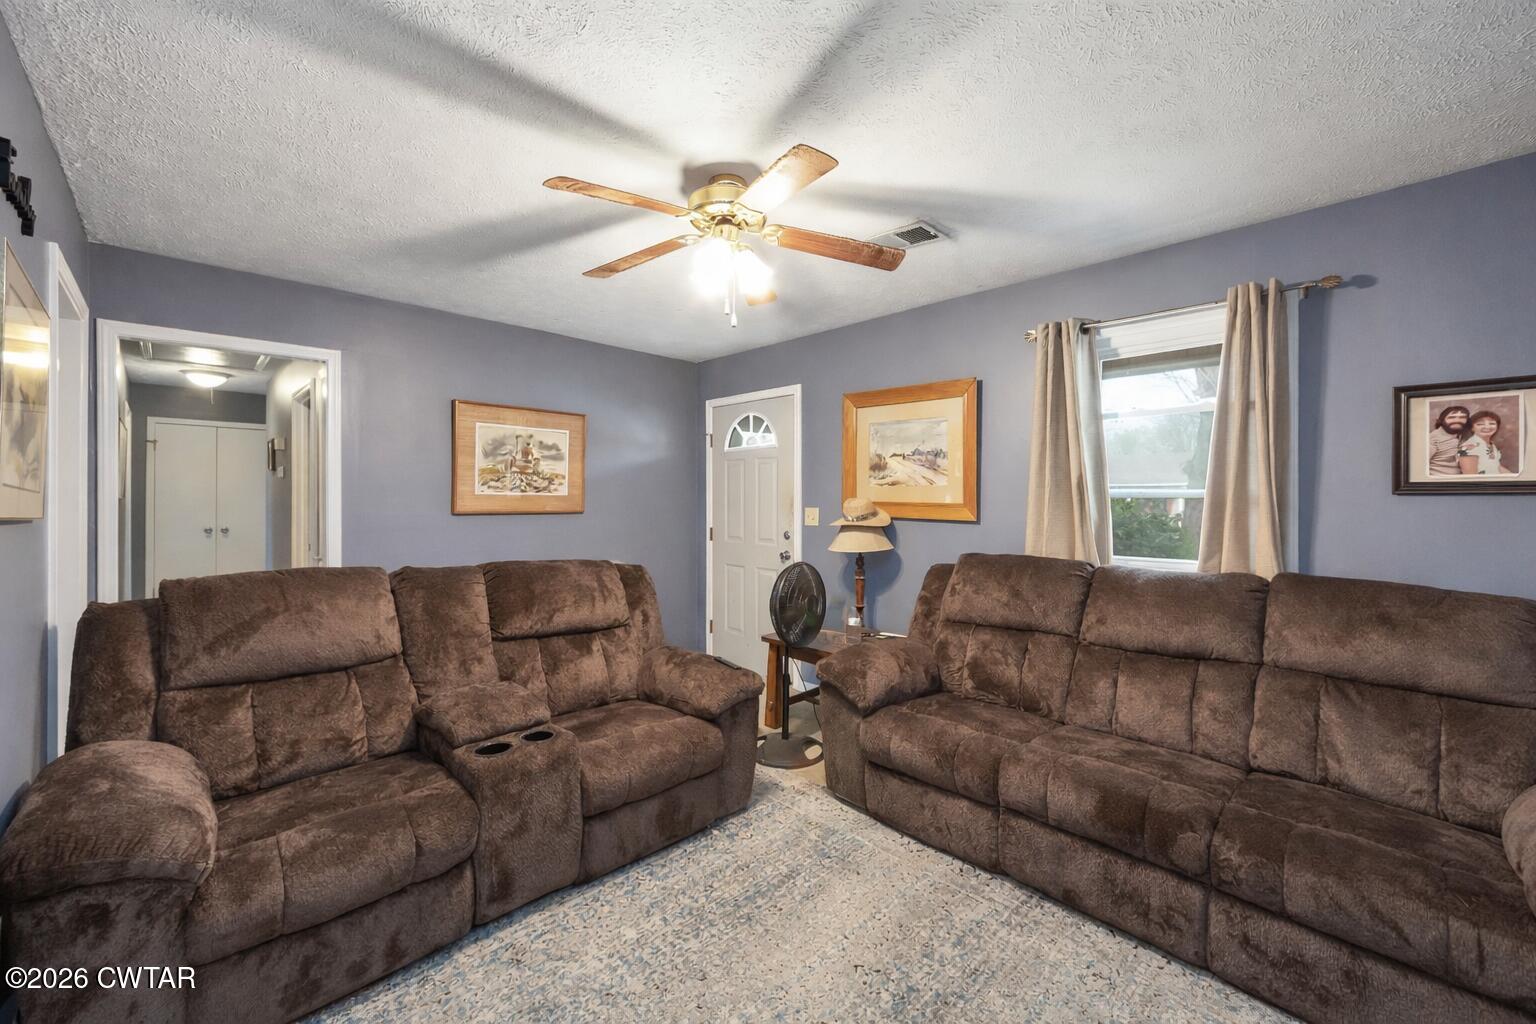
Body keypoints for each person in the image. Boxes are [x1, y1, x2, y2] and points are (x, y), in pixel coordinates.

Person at [1458, 410, 1508, 475]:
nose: (1487, 427)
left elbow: (1496, 466)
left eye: (1492, 423)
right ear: (1472, 428)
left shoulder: (1491, 444)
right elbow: (1470, 478)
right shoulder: (1467, 447)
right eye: (1480, 424)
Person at [1428, 405, 1471, 475]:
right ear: (1441, 420)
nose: (1457, 420)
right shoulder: (1432, 439)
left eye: (1462, 417)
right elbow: (1418, 466)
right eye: (1452, 417)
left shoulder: (1465, 435)